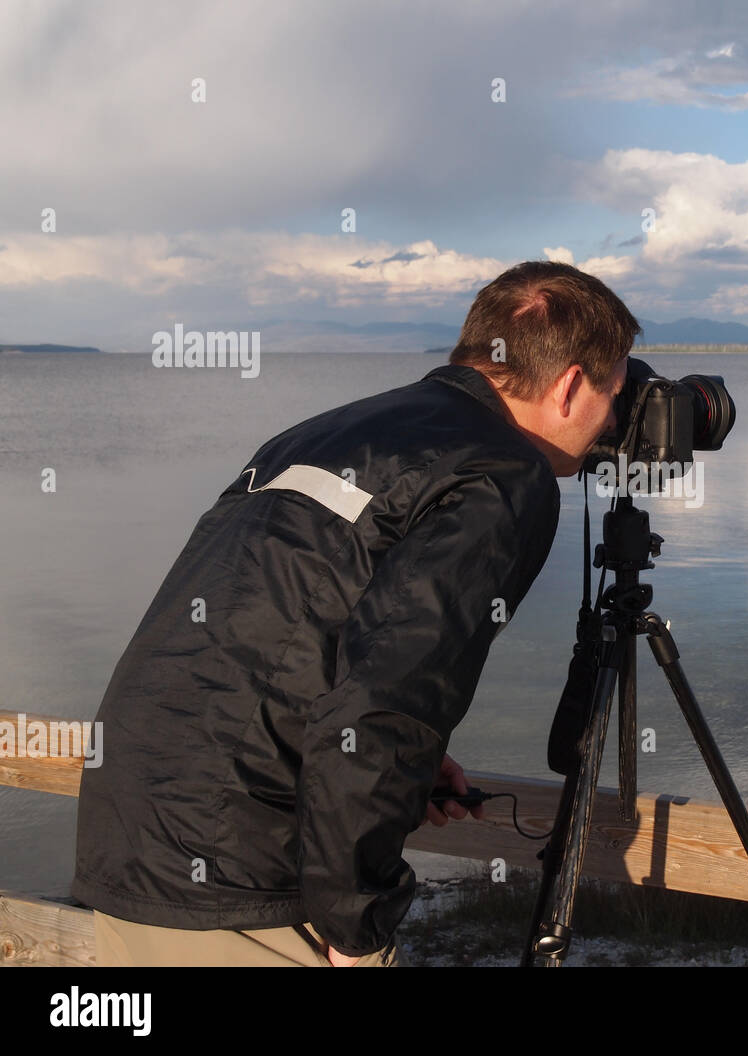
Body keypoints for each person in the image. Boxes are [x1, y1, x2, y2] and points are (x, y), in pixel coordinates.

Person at [71, 260, 639, 966]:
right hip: (245, 877)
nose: (613, 419)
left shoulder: (324, 431)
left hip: (129, 832)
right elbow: (387, 700)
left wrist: (405, 765)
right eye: (614, 393)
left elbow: (261, 636)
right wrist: (354, 921)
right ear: (570, 384)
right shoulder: (501, 474)